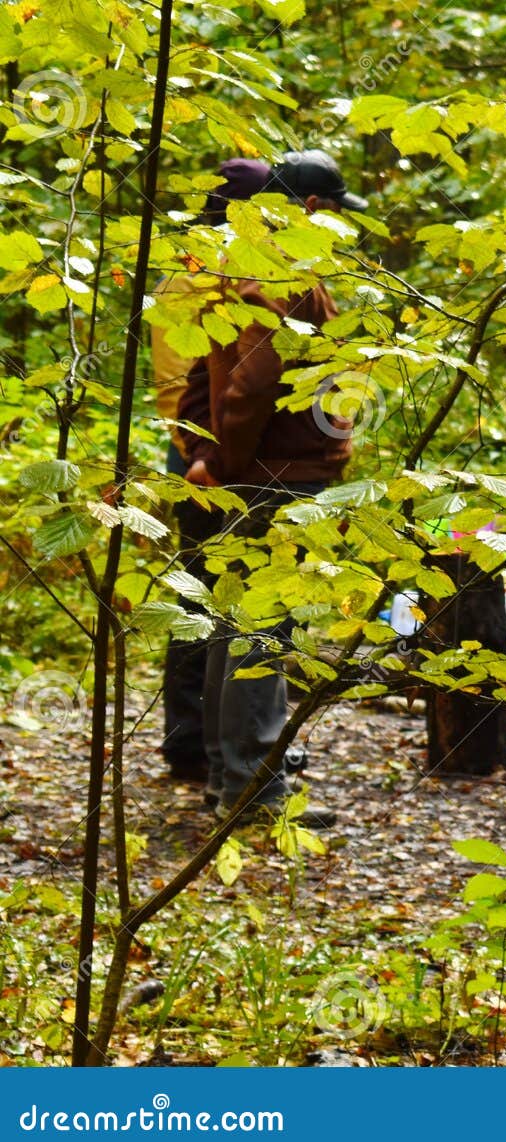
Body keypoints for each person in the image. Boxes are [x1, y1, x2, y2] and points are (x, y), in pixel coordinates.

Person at [178, 149, 369, 826]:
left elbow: (206, 370)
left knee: (236, 625)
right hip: (276, 479)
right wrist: (223, 459)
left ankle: (232, 781)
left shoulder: (239, 261)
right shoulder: (284, 269)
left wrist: (204, 450)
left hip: (260, 475)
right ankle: (253, 793)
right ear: (312, 209)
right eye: (337, 214)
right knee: (262, 632)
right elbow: (251, 382)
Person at [152, 158, 271, 784]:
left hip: (214, 449)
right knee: (202, 593)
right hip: (201, 455)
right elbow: (183, 377)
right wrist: (201, 455)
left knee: (215, 593)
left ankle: (204, 743)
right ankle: (190, 743)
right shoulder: (199, 273)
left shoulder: (233, 264)